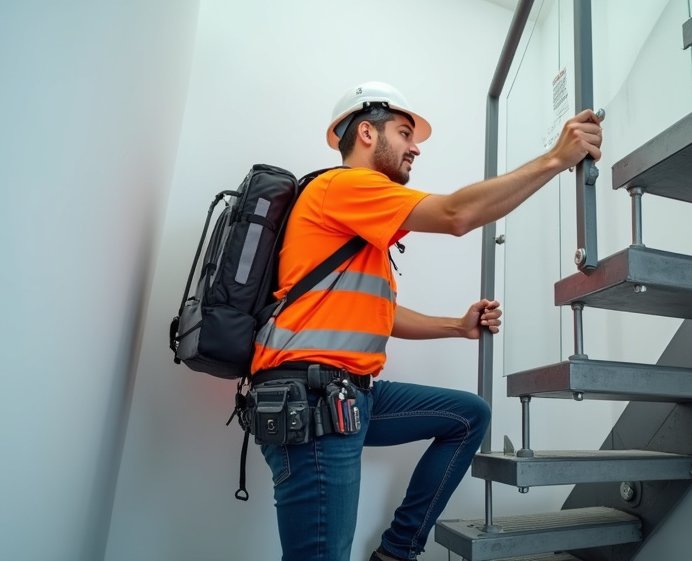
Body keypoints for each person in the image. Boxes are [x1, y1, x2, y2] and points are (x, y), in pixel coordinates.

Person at [251, 81, 603, 561]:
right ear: (367, 134)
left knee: (468, 415)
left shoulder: (354, 213)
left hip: (351, 396)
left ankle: (397, 551)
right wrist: (554, 159)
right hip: (314, 404)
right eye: (404, 132)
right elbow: (457, 214)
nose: (416, 147)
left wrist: (457, 327)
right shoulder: (346, 185)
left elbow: (380, 312)